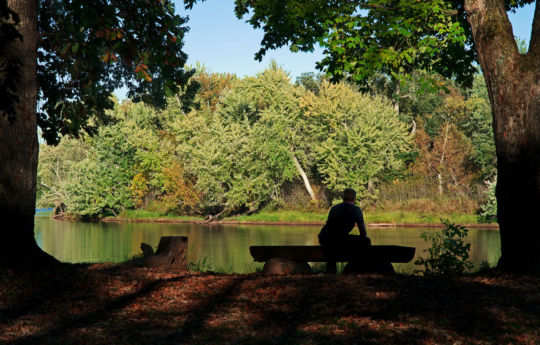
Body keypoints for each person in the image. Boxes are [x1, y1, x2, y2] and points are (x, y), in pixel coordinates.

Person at [318, 188, 371, 273]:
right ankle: (358, 267)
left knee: (334, 244)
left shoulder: (334, 208)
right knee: (366, 241)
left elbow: (330, 227)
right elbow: (363, 232)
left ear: (343, 198)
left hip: (324, 238)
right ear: (354, 199)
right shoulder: (356, 210)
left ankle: (331, 271)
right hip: (338, 239)